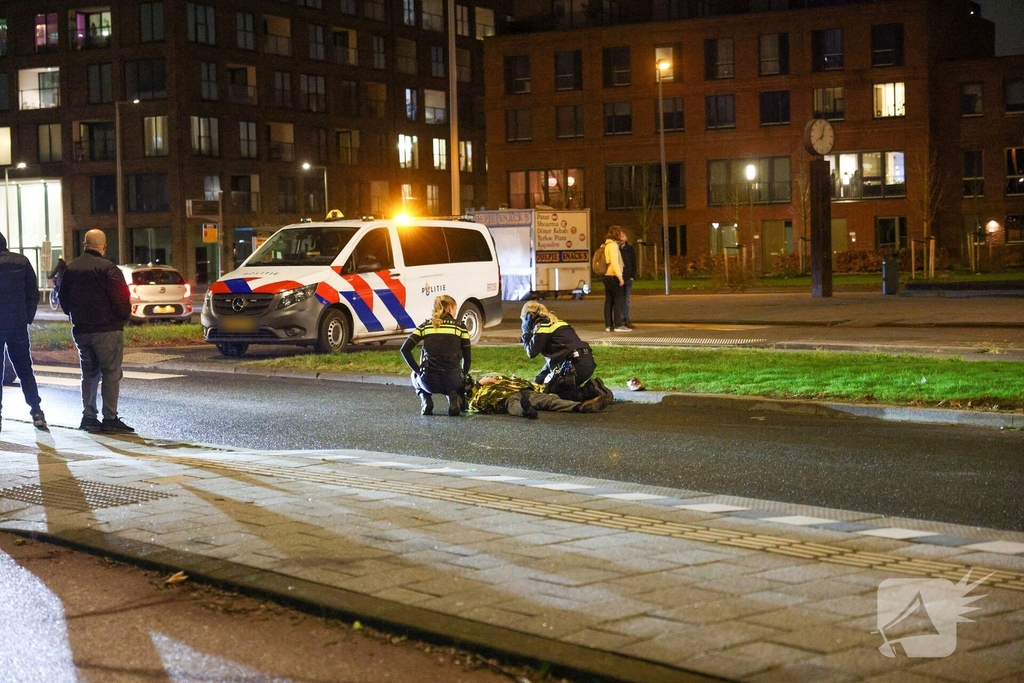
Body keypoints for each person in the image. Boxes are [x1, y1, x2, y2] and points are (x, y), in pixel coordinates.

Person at [58, 229, 134, 433]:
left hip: (82, 330)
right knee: (111, 373)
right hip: (107, 330)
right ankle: (110, 417)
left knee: (89, 373)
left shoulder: (71, 269)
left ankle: (89, 416)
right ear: (104, 246)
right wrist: (122, 318)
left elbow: (63, 300)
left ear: (85, 245)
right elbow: (121, 299)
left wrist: (76, 315)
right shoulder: (109, 268)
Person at [520, 301, 613, 405]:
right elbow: (556, 359)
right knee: (556, 386)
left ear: (528, 317)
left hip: (574, 366)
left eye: (523, 320)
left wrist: (526, 332)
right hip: (584, 361)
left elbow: (531, 352)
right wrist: (539, 379)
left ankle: (593, 392)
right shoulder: (557, 322)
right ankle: (595, 388)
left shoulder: (542, 327)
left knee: (552, 394)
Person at [0, 233, 47, 431]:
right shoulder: (22, 261)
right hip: (16, 323)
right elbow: (32, 294)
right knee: (24, 368)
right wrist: (26, 317)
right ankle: (36, 411)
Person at [400, 294, 471, 416]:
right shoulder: (460, 327)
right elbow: (467, 357)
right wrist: (462, 377)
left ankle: (426, 400)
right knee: (455, 378)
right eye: (455, 309)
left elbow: (404, 349)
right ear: (449, 308)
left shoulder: (425, 326)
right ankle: (453, 397)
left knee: (413, 375)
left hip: (428, 381)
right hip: (452, 381)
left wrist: (418, 371)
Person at [467, 374, 603, 419]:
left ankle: (580, 406)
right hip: (506, 398)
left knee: (550, 400)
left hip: (522, 391)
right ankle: (526, 411)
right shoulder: (476, 392)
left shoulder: (493, 378)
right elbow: (474, 403)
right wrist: (479, 383)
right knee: (515, 405)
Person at [601, 226, 629, 332]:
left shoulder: (605, 244)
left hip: (606, 276)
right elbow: (615, 263)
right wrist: (620, 277)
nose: (620, 236)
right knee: (618, 300)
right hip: (613, 275)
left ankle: (608, 325)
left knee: (609, 301)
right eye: (619, 233)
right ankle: (618, 325)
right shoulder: (613, 246)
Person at [618, 233, 636, 330]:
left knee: (626, 299)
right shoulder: (616, 249)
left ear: (626, 238)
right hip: (619, 278)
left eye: (623, 236)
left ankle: (626, 318)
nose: (621, 238)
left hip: (628, 278)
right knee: (619, 299)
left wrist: (633, 276)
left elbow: (634, 262)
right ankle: (619, 319)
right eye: (619, 236)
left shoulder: (630, 249)